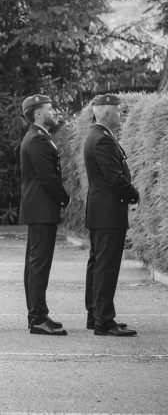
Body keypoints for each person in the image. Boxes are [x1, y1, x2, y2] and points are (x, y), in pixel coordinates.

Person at [84, 94, 139, 337]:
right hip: (108, 212)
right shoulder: (102, 140)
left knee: (98, 263)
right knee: (106, 266)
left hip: (101, 211)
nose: (120, 114)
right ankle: (104, 321)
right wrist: (134, 194)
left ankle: (95, 315)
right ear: (106, 113)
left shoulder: (97, 135)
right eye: (117, 110)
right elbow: (115, 177)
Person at [19, 95, 70, 336]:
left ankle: (39, 313)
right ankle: (37, 318)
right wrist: (64, 199)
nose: (54, 111)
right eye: (50, 108)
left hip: (40, 209)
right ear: (38, 113)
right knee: (39, 264)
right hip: (41, 209)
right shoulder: (37, 139)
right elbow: (48, 177)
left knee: (36, 264)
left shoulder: (39, 136)